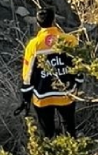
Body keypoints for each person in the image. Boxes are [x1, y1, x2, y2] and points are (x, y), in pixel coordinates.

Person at [20, 8, 82, 138]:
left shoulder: (33, 45)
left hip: (42, 96)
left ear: (38, 23)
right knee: (70, 130)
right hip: (66, 93)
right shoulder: (70, 40)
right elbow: (79, 66)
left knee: (47, 133)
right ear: (54, 20)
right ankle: (73, 154)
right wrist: (78, 83)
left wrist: (26, 97)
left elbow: (28, 75)